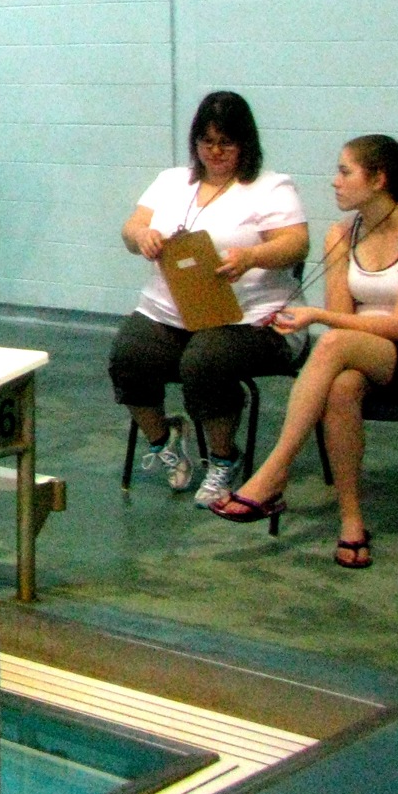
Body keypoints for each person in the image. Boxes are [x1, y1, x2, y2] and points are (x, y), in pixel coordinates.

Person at [211, 136, 398, 569]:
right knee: (342, 386)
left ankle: (274, 473)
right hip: (367, 351)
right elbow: (343, 316)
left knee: (331, 342)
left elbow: (396, 324)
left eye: (345, 171)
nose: (334, 182)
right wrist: (381, 324)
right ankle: (352, 523)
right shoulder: (341, 234)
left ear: (379, 179)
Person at [108, 91, 309, 505]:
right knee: (128, 354)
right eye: (207, 142)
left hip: (250, 320)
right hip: (170, 312)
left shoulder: (271, 188)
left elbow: (296, 244)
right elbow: (132, 227)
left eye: (226, 143)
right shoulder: (171, 181)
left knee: (205, 360)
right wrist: (141, 236)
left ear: (245, 144)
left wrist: (252, 256)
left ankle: (223, 457)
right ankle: (163, 440)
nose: (215, 152)